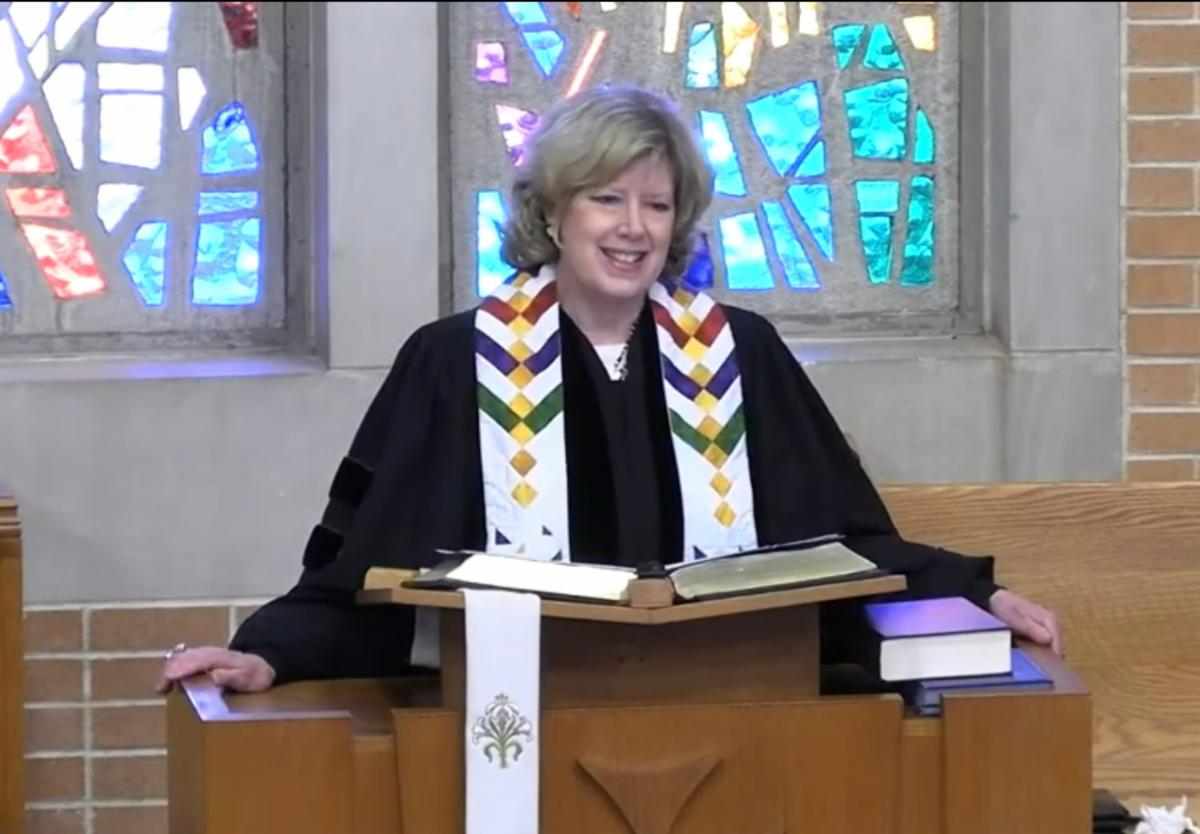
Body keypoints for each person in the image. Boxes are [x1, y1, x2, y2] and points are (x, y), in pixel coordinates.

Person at [158, 85, 1061, 696]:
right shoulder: (453, 362)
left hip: (727, 711)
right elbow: (366, 570)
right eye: (606, 199)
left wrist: (972, 595)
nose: (634, 228)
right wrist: (266, 653)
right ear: (553, 212)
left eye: (657, 205)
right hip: (516, 726)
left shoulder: (740, 354)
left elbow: (839, 543)